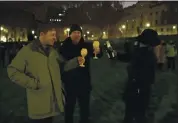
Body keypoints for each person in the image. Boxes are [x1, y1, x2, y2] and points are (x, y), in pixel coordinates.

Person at [7, 23, 85, 123]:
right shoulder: (28, 51)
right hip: (39, 108)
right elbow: (12, 71)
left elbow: (62, 66)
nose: (55, 38)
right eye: (52, 35)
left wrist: (76, 61)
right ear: (42, 34)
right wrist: (33, 84)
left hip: (52, 107)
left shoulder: (53, 52)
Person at [59, 24, 103, 123]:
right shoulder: (64, 47)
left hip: (84, 83)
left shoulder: (86, 46)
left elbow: (97, 55)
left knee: (84, 108)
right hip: (70, 83)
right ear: (70, 34)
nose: (77, 35)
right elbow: (61, 65)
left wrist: (98, 51)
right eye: (74, 32)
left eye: (79, 33)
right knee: (69, 107)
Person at [116, 29, 160, 123]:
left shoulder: (143, 53)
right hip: (141, 86)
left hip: (138, 86)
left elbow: (130, 59)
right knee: (137, 112)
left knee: (134, 112)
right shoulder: (145, 52)